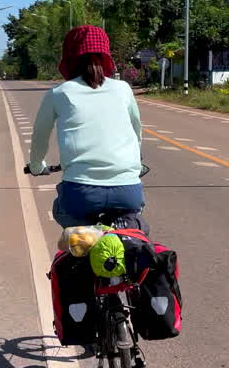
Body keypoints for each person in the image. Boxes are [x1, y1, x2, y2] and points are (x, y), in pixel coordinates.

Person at [28, 25, 144, 228]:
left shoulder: (59, 93)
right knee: (132, 234)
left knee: (65, 216)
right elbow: (136, 131)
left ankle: (75, 258)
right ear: (106, 55)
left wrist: (37, 167)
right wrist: (136, 162)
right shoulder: (123, 89)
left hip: (80, 192)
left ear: (68, 58)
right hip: (128, 191)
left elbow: (40, 137)